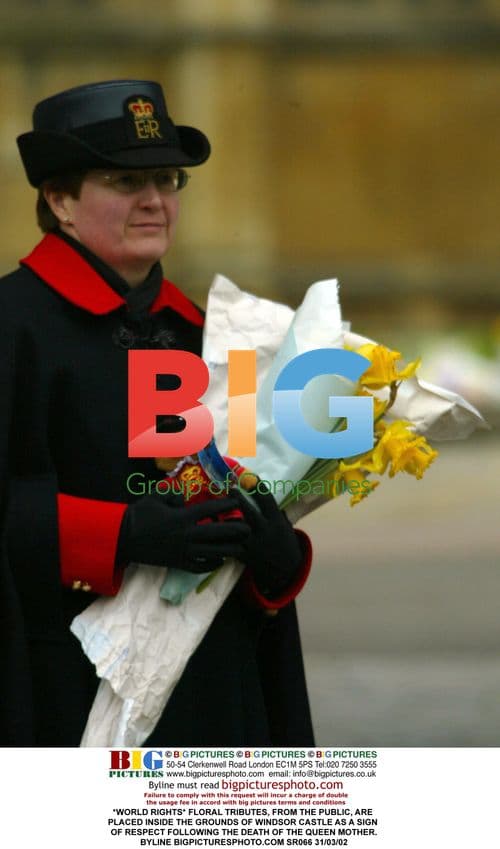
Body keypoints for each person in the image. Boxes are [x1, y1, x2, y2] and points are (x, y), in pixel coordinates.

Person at [0, 79, 314, 746]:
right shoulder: (10, 325)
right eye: (123, 181)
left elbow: (245, 499)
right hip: (67, 689)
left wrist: (274, 554)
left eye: (167, 180)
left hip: (211, 696)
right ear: (59, 200)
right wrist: (119, 534)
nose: (154, 201)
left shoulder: (207, 333)